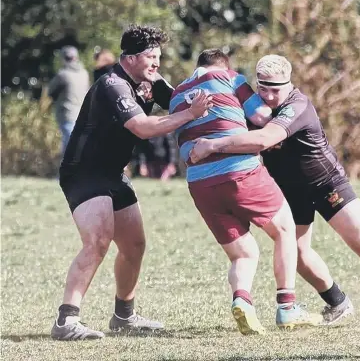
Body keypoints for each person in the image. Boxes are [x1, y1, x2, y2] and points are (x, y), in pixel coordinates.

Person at [190, 54, 360, 325]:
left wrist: (214, 145)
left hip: (327, 184)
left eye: (276, 90)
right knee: (296, 253)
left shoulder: (297, 105)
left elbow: (264, 139)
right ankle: (338, 302)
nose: (270, 96)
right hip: (291, 193)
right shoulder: (253, 108)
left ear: (289, 84)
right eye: (264, 89)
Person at [51, 24, 212, 341]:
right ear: (131, 58)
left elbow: (178, 100)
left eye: (158, 57)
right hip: (83, 172)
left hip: (112, 174)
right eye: (151, 57)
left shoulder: (150, 80)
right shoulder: (113, 85)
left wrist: (210, 98)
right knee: (97, 241)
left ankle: (124, 317)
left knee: (134, 245)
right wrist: (191, 114)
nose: (156, 64)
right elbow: (143, 127)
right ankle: (65, 322)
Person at [170, 49, 319, 335]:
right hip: (240, 171)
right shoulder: (230, 78)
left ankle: (242, 300)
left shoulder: (178, 94)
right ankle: (287, 307)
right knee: (285, 229)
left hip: (199, 183)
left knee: (244, 253)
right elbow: (263, 116)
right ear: (223, 65)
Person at [47, 46, 90, 158]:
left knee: (69, 146)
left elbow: (50, 92)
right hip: (83, 115)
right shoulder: (84, 73)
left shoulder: (63, 74)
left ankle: (66, 174)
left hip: (67, 114)